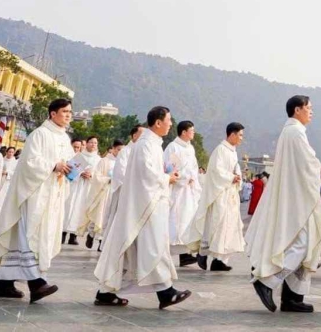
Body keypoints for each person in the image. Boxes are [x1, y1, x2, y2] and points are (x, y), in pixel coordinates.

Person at [93, 106, 192, 310]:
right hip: (147, 206)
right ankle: (166, 292)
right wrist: (168, 177)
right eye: (169, 120)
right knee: (153, 248)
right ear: (158, 122)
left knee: (133, 249)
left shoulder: (151, 143)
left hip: (148, 203)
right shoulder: (147, 144)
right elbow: (148, 175)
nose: (171, 124)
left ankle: (105, 292)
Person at [0, 97, 74, 303]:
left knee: (32, 236)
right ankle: (36, 283)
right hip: (34, 195)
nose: (69, 115)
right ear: (53, 114)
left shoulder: (64, 138)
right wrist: (54, 165)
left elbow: (67, 162)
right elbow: (30, 162)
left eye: (70, 112)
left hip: (53, 193)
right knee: (29, 235)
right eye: (65, 112)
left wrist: (70, 169)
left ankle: (5, 284)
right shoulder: (40, 134)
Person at [246, 95, 321, 314]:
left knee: (301, 246)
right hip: (299, 200)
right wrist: (318, 166)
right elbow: (307, 165)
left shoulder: (292, 131)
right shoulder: (295, 133)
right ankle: (267, 280)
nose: (312, 112)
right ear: (297, 110)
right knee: (302, 244)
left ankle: (292, 299)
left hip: (297, 196)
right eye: (309, 108)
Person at [193, 122, 246, 272]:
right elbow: (216, 171)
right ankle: (204, 253)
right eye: (240, 135)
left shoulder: (233, 152)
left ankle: (220, 260)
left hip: (231, 195)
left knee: (229, 228)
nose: (242, 138)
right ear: (232, 134)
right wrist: (231, 178)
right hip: (221, 195)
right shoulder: (220, 150)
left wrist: (237, 178)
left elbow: (237, 170)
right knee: (218, 226)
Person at [165, 121, 202, 267]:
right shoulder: (173, 147)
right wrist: (183, 177)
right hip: (178, 189)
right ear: (184, 132)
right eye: (191, 130)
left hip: (189, 190)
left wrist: (193, 178)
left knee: (188, 220)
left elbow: (193, 167)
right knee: (175, 220)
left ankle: (186, 254)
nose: (193, 132)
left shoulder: (190, 148)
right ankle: (167, 252)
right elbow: (169, 167)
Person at [61, 137, 99, 246]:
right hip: (75, 186)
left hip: (88, 187)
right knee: (69, 208)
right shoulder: (78, 156)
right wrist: (80, 173)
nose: (93, 144)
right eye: (91, 142)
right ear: (86, 144)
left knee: (81, 211)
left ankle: (73, 237)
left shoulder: (98, 159)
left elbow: (99, 174)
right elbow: (70, 170)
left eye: (95, 143)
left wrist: (91, 175)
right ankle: (62, 234)